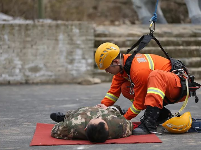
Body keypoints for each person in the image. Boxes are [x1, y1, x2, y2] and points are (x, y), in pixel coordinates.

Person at [94, 42, 190, 134]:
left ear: (116, 62)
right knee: (125, 88)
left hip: (178, 88)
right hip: (165, 87)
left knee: (155, 75)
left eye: (107, 68)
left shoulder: (138, 70)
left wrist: (123, 120)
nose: (106, 71)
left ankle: (149, 124)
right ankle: (161, 114)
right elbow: (113, 93)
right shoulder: (122, 69)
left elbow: (139, 103)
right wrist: (102, 108)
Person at [50, 104, 133, 143]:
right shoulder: (118, 127)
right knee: (115, 108)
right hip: (107, 111)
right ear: (108, 130)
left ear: (85, 129)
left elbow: (55, 130)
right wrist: (107, 109)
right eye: (101, 120)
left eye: (95, 119)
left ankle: (64, 116)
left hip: (83, 112)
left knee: (73, 114)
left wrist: (67, 122)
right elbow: (129, 123)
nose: (99, 117)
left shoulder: (73, 126)